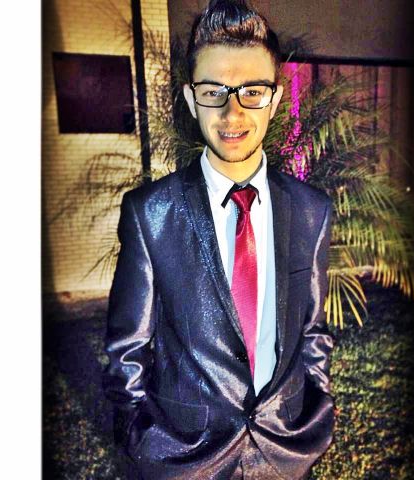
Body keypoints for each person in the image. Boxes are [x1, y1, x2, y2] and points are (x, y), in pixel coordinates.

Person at [103, 1, 334, 478]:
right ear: (191, 100)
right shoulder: (150, 214)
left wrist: (317, 405)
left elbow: (312, 331)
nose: (233, 112)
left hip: (285, 449)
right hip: (187, 457)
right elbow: (127, 350)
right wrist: (142, 437)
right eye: (214, 92)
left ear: (274, 99)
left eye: (252, 91)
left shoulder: (312, 210)